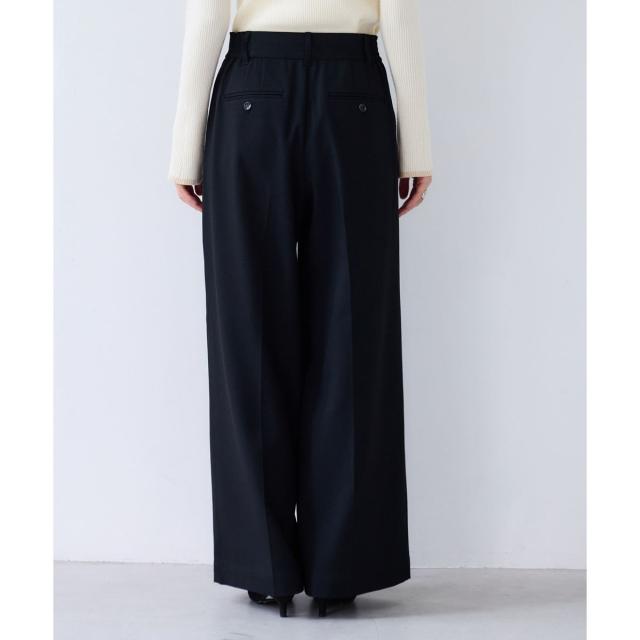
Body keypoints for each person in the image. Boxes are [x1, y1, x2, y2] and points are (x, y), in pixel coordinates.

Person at [169, 0, 433, 618]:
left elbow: (208, 14)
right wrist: (416, 145)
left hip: (253, 93)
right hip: (353, 95)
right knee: (353, 333)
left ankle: (264, 565)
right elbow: (398, 15)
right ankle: (343, 566)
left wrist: (185, 147)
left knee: (248, 332)